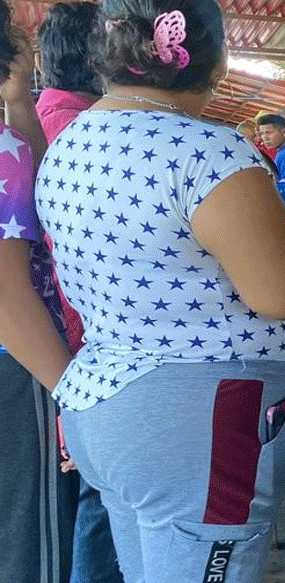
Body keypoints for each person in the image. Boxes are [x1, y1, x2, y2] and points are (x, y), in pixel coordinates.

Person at [36, 0, 285, 580]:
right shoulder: (207, 149)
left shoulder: (70, 144)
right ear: (216, 60)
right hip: (201, 419)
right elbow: (284, 294)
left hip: (105, 400)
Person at [35, 3, 126, 582]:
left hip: (64, 346)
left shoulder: (46, 119)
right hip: (82, 345)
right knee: (103, 498)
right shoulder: (86, 131)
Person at [0, 4, 74, 583]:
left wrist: (21, 104)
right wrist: (73, 394)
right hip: (19, 368)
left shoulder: (12, 143)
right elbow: (7, 299)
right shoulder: (5, 150)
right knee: (30, 547)